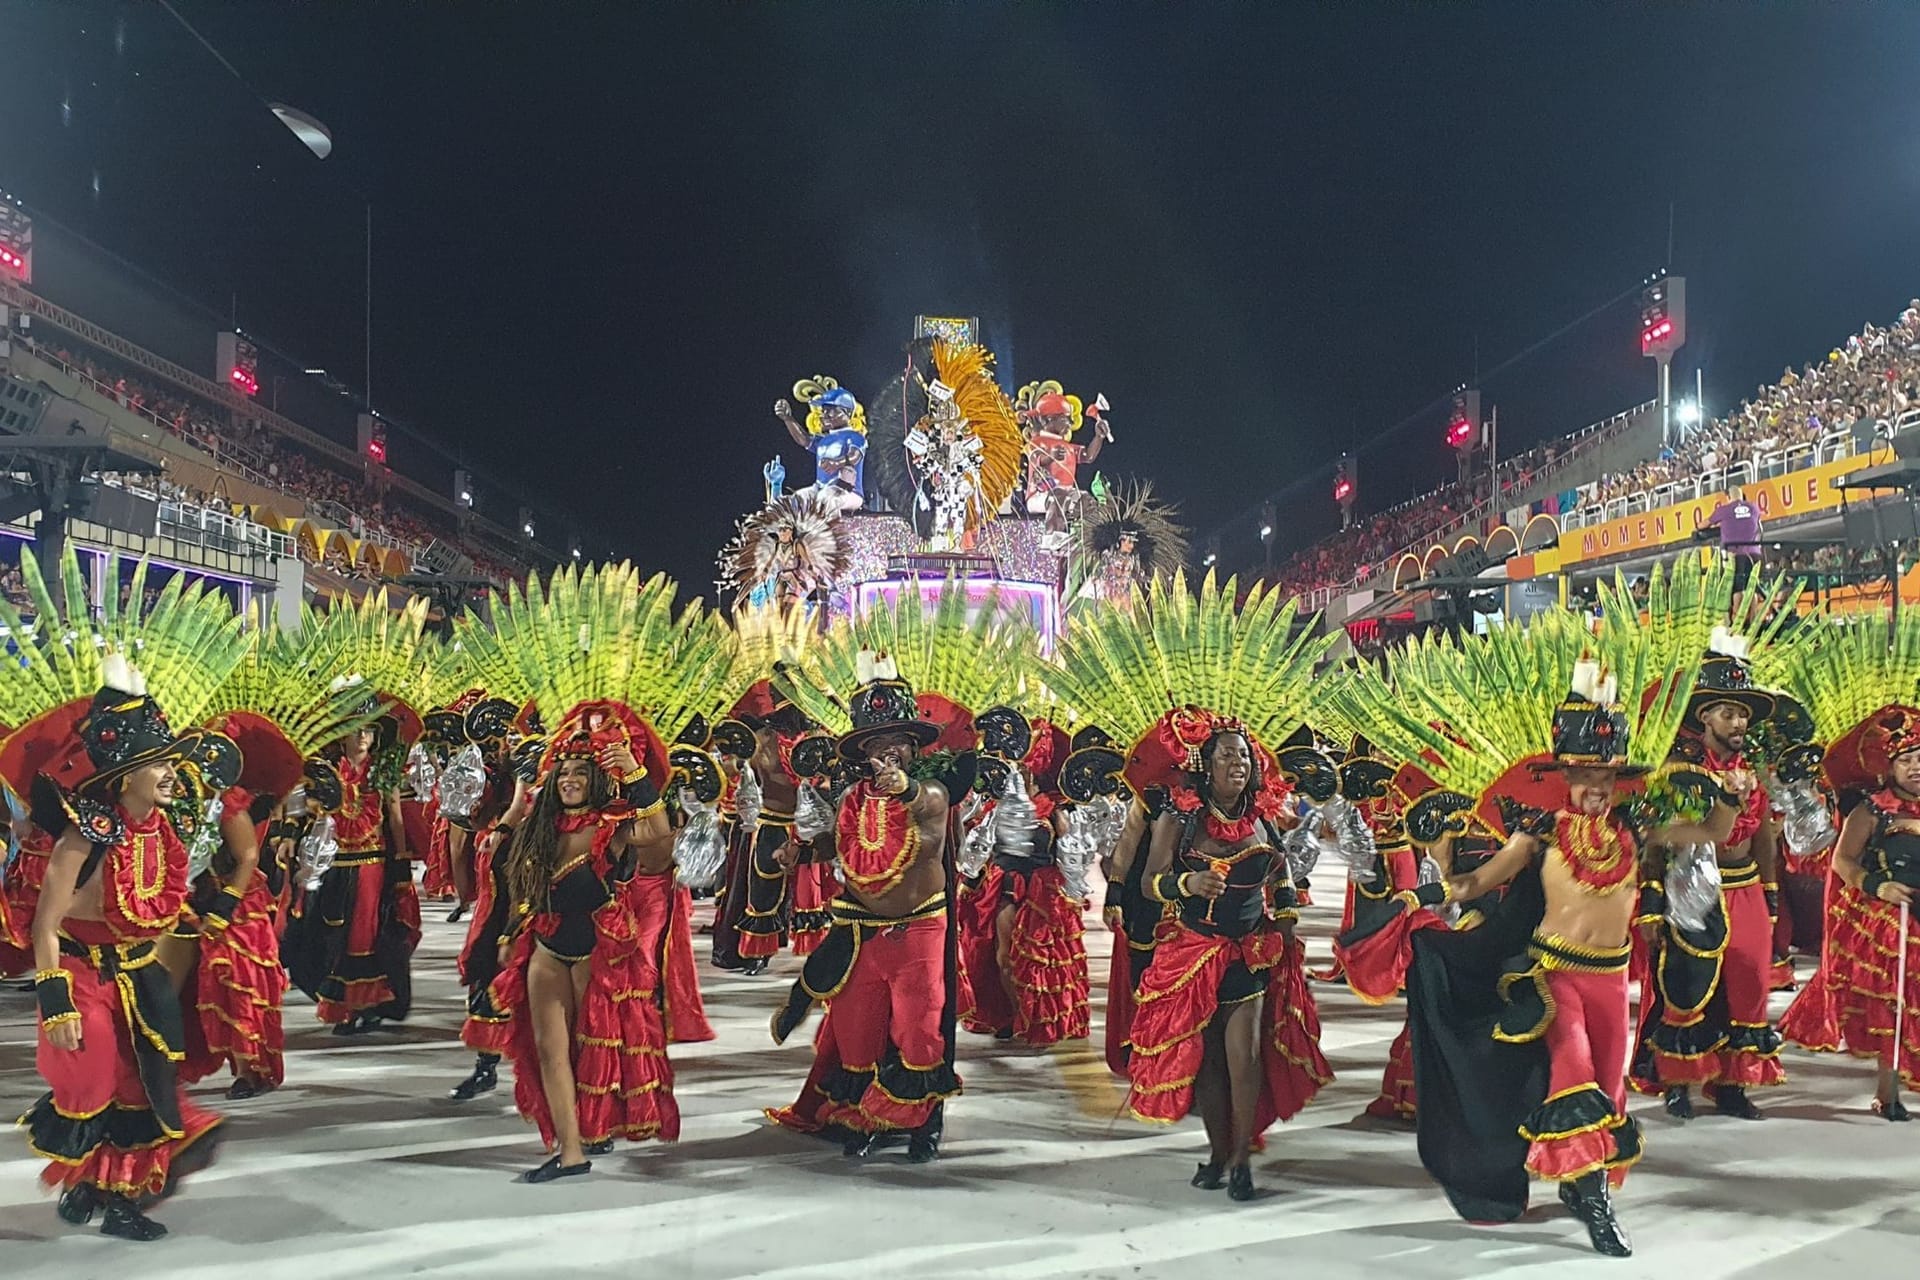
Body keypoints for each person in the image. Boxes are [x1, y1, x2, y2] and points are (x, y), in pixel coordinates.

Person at [1406, 664, 1749, 1257]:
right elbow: (1479, 881)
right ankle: (1595, 1203)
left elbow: (1712, 834)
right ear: (1565, 774)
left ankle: (1577, 1182)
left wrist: (1729, 796)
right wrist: (1429, 889)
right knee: (1575, 1074)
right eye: (1585, 774)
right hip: (1552, 976)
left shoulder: (1639, 831)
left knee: (1610, 1091)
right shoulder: (1538, 834)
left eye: (1606, 775)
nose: (1596, 786)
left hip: (1611, 980)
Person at [20, 661, 228, 1240]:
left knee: (142, 1091)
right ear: (124, 775)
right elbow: (45, 927)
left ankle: (109, 1194)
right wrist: (56, 1001)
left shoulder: (162, 831)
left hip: (142, 978)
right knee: (94, 1084)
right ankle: (89, 1184)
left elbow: (154, 914)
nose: (171, 773)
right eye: (159, 764)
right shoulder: (82, 837)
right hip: (83, 978)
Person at [1124, 716, 1331, 1202]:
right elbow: (1148, 881)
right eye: (1227, 756)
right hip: (1193, 953)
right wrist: (1188, 884)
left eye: (1244, 756)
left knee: (1246, 1058)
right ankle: (1218, 1152)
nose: (1238, 764)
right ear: (1205, 764)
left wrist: (1284, 914)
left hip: (1249, 953)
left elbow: (1281, 874)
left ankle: (1240, 1158)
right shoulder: (1181, 818)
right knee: (1210, 1062)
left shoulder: (1263, 817)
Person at [767, 655, 963, 1163]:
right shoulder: (853, 796)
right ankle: (868, 1115)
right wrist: (804, 851)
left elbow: (926, 806)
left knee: (920, 1033)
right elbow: (843, 843)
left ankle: (924, 1124)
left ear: (914, 747)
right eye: (876, 745)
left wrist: (907, 789)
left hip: (918, 931)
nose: (887, 754)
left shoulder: (934, 792)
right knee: (858, 1037)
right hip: (859, 931)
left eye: (896, 742)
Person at [489, 701, 675, 1182]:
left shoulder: (611, 831)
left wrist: (633, 772)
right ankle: (570, 1152)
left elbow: (658, 830)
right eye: (563, 771)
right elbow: (522, 890)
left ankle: (597, 1127)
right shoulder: (538, 830)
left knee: (589, 1047)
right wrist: (511, 932)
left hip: (599, 950)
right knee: (550, 1051)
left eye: (580, 771)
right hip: (547, 949)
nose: (570, 778)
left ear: (595, 780)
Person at [1632, 641, 1783, 1120]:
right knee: (1687, 986)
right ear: (1705, 719)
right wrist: (1654, 904)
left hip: (1746, 887)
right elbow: (1656, 841)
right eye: (1727, 713)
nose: (1738, 723)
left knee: (1750, 985)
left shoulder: (1755, 774)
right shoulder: (1679, 773)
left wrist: (1771, 895)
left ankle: (1732, 1086)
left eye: (1742, 713)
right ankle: (1679, 1081)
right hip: (1690, 891)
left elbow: (1763, 836)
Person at [1780, 703, 1920, 1119]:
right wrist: (1881, 887)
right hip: (1891, 915)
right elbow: (1843, 861)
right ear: (1888, 766)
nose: (1916, 769)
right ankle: (1889, 1093)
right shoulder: (1872, 809)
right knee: (1896, 1007)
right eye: (1907, 760)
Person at [283, 690, 419, 1035]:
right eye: (357, 730)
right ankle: (342, 1002)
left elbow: (395, 817)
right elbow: (299, 811)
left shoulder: (381, 773)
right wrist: (289, 840)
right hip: (334, 865)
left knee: (364, 934)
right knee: (332, 933)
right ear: (342, 734)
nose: (363, 737)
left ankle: (366, 1004)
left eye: (369, 732)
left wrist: (401, 865)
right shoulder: (326, 773)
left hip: (371, 863)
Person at [959, 712, 1089, 1046]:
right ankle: (1013, 1014)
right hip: (1003, 885)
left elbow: (1073, 855)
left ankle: (1034, 1017)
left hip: (1043, 891)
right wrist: (969, 880)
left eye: (1026, 763)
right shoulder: (992, 806)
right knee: (1003, 958)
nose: (1019, 768)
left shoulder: (1056, 810)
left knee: (1036, 959)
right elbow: (976, 847)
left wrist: (1073, 890)